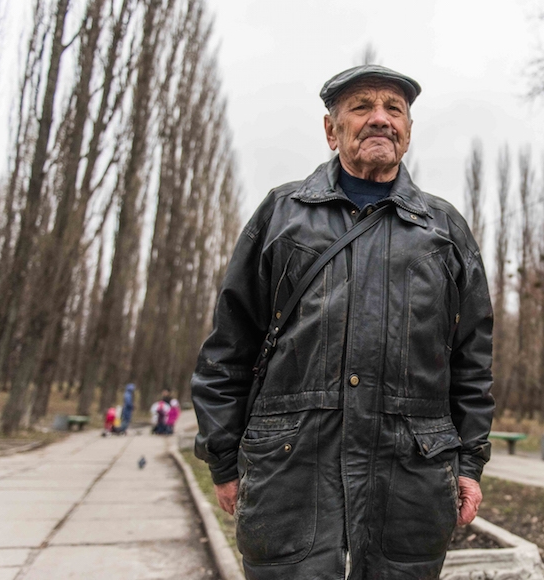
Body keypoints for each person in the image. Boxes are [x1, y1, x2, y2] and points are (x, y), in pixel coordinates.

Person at [191, 64, 494, 580]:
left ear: (408, 130)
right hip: (290, 468)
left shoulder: (443, 230)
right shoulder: (281, 215)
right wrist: (224, 460)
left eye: (393, 109)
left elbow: (472, 360)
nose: (380, 119)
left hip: (413, 471)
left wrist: (468, 463)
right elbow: (229, 347)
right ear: (331, 130)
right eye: (361, 107)